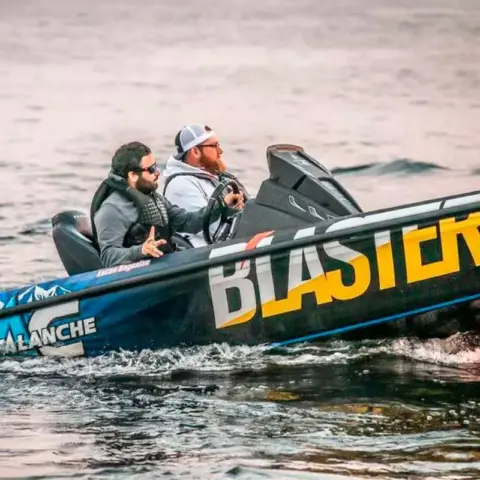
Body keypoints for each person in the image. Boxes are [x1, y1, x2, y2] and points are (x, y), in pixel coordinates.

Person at [91, 141, 243, 268]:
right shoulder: (112, 209)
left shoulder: (154, 198)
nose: (157, 172)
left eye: (156, 166)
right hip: (140, 278)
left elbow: (187, 221)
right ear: (133, 175)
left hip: (165, 264)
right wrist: (141, 250)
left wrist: (221, 206)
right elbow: (108, 256)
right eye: (151, 169)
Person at [162, 124, 248, 246]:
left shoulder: (215, 177)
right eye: (214, 146)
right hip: (209, 253)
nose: (220, 151)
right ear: (195, 151)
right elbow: (212, 230)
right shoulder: (180, 185)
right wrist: (230, 211)